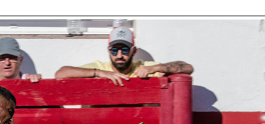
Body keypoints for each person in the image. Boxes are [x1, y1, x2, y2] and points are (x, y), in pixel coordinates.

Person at [55, 26, 193, 86]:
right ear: (109, 51)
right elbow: (61, 73)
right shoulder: (100, 67)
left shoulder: (143, 67)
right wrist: (99, 73)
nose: (119, 55)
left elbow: (188, 68)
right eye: (115, 50)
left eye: (125, 50)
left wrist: (154, 68)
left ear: (133, 51)